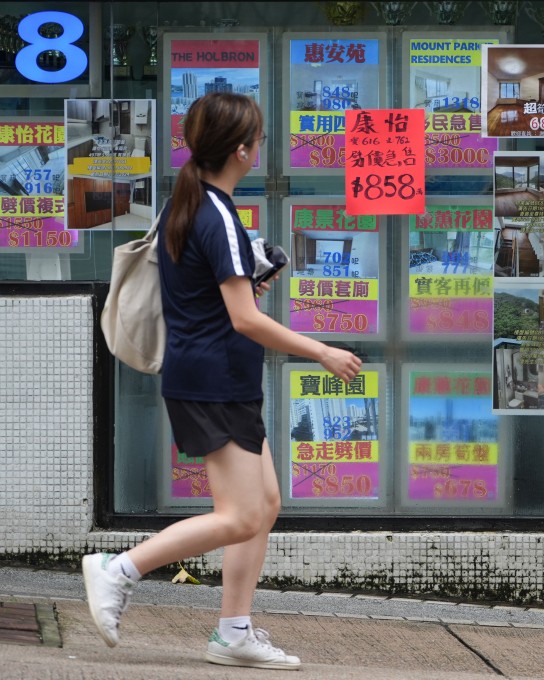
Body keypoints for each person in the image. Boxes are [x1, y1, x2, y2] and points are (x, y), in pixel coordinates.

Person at [82, 92, 362, 671]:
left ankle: (234, 633)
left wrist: (245, 288)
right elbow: (244, 319)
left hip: (218, 377)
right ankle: (119, 569)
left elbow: (212, 298)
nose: (260, 148)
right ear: (243, 150)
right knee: (240, 515)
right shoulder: (218, 214)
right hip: (214, 380)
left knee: (264, 504)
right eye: (258, 140)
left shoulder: (191, 204)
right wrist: (322, 351)